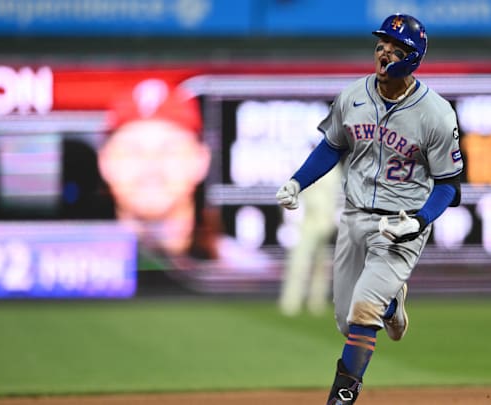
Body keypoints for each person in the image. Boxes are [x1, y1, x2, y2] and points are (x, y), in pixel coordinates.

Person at [275, 14, 463, 404]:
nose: (382, 53)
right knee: (348, 320)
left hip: (402, 224)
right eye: (380, 45)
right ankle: (392, 303)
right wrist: (297, 181)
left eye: (393, 48)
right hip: (355, 216)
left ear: (411, 58)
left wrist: (419, 220)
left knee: (363, 312)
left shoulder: (437, 114)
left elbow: (447, 184)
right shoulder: (353, 96)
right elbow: (332, 146)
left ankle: (340, 399)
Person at [99, 78, 270, 276]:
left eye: (170, 150)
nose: (151, 166)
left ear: (201, 160)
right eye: (132, 151)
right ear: (104, 162)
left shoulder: (247, 274)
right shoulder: (76, 271)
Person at [279, 162, 342, 317]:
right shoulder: (304, 166)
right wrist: (293, 220)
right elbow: (292, 193)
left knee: (322, 265)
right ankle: (290, 302)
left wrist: (334, 220)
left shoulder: (335, 170)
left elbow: (337, 196)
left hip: (326, 221)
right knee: (299, 262)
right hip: (307, 222)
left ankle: (317, 302)